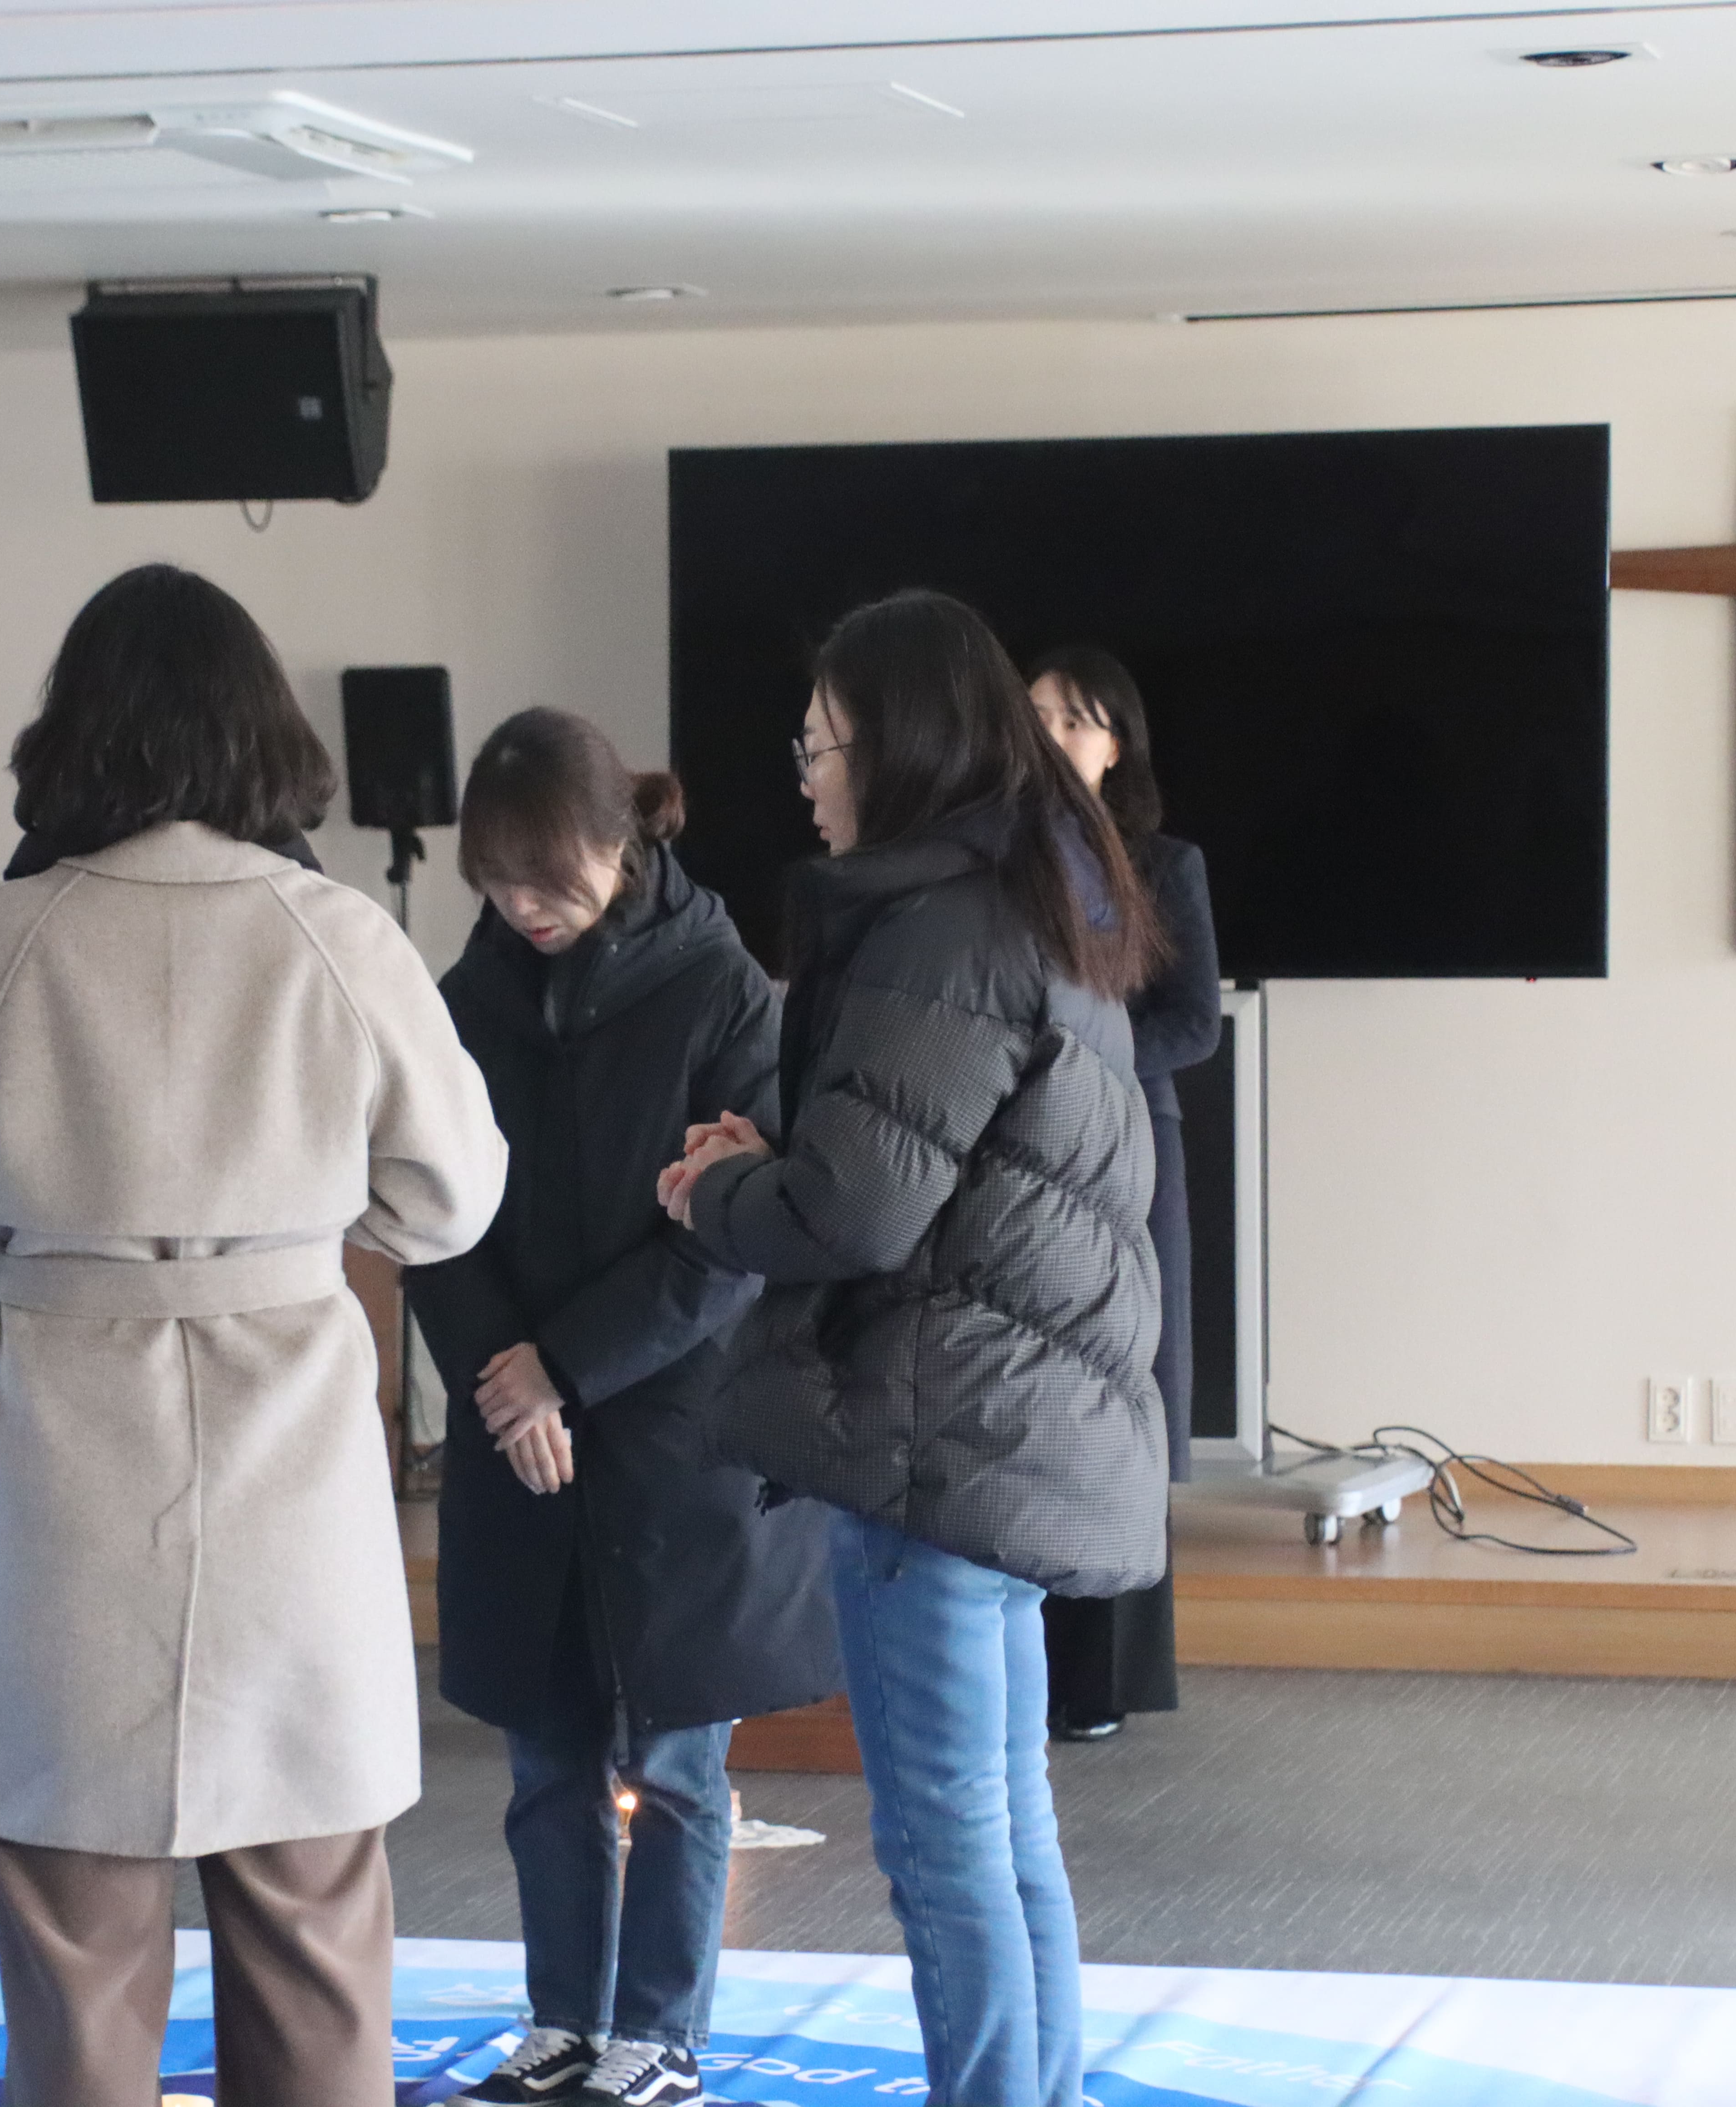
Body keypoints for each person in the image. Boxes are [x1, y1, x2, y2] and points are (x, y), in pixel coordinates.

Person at [0, 563, 508, 2107]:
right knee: (317, 1931)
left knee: (77, 1955)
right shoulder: (343, 939)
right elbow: (452, 1199)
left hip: (59, 1472)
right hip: (289, 1470)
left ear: (70, 732)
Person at [661, 590, 1167, 2107]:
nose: (807, 778)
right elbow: (933, 1173)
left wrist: (714, 1191)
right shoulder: (1042, 901)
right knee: (1003, 1836)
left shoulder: (940, 931)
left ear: (901, 749)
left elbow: (863, 1209)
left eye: (821, 747)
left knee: (951, 1851)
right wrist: (787, 1159)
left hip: (933, 1439)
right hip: (998, 1431)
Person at [408, 710, 837, 2107]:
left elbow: (730, 1230)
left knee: (677, 1758)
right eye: (497, 885)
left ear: (619, 843)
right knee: (546, 1759)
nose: (523, 910)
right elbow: (433, 1212)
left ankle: (661, 2034)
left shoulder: (722, 990)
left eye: (547, 879)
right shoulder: (462, 999)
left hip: (673, 1424)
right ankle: (562, 2021)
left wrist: (565, 1366)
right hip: (515, 1420)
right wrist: (505, 1377)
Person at [1027, 645, 1222, 1743]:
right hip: (1019, 1148)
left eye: (1075, 720)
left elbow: (1194, 1021)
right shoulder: (993, 862)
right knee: (1033, 1395)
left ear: (1116, 745)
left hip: (1132, 1146)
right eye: (1037, 716)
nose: (1053, 737)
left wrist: (1086, 1059)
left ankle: (1102, 1679)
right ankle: (1024, 1663)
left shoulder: (1165, 864)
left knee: (1125, 1398)